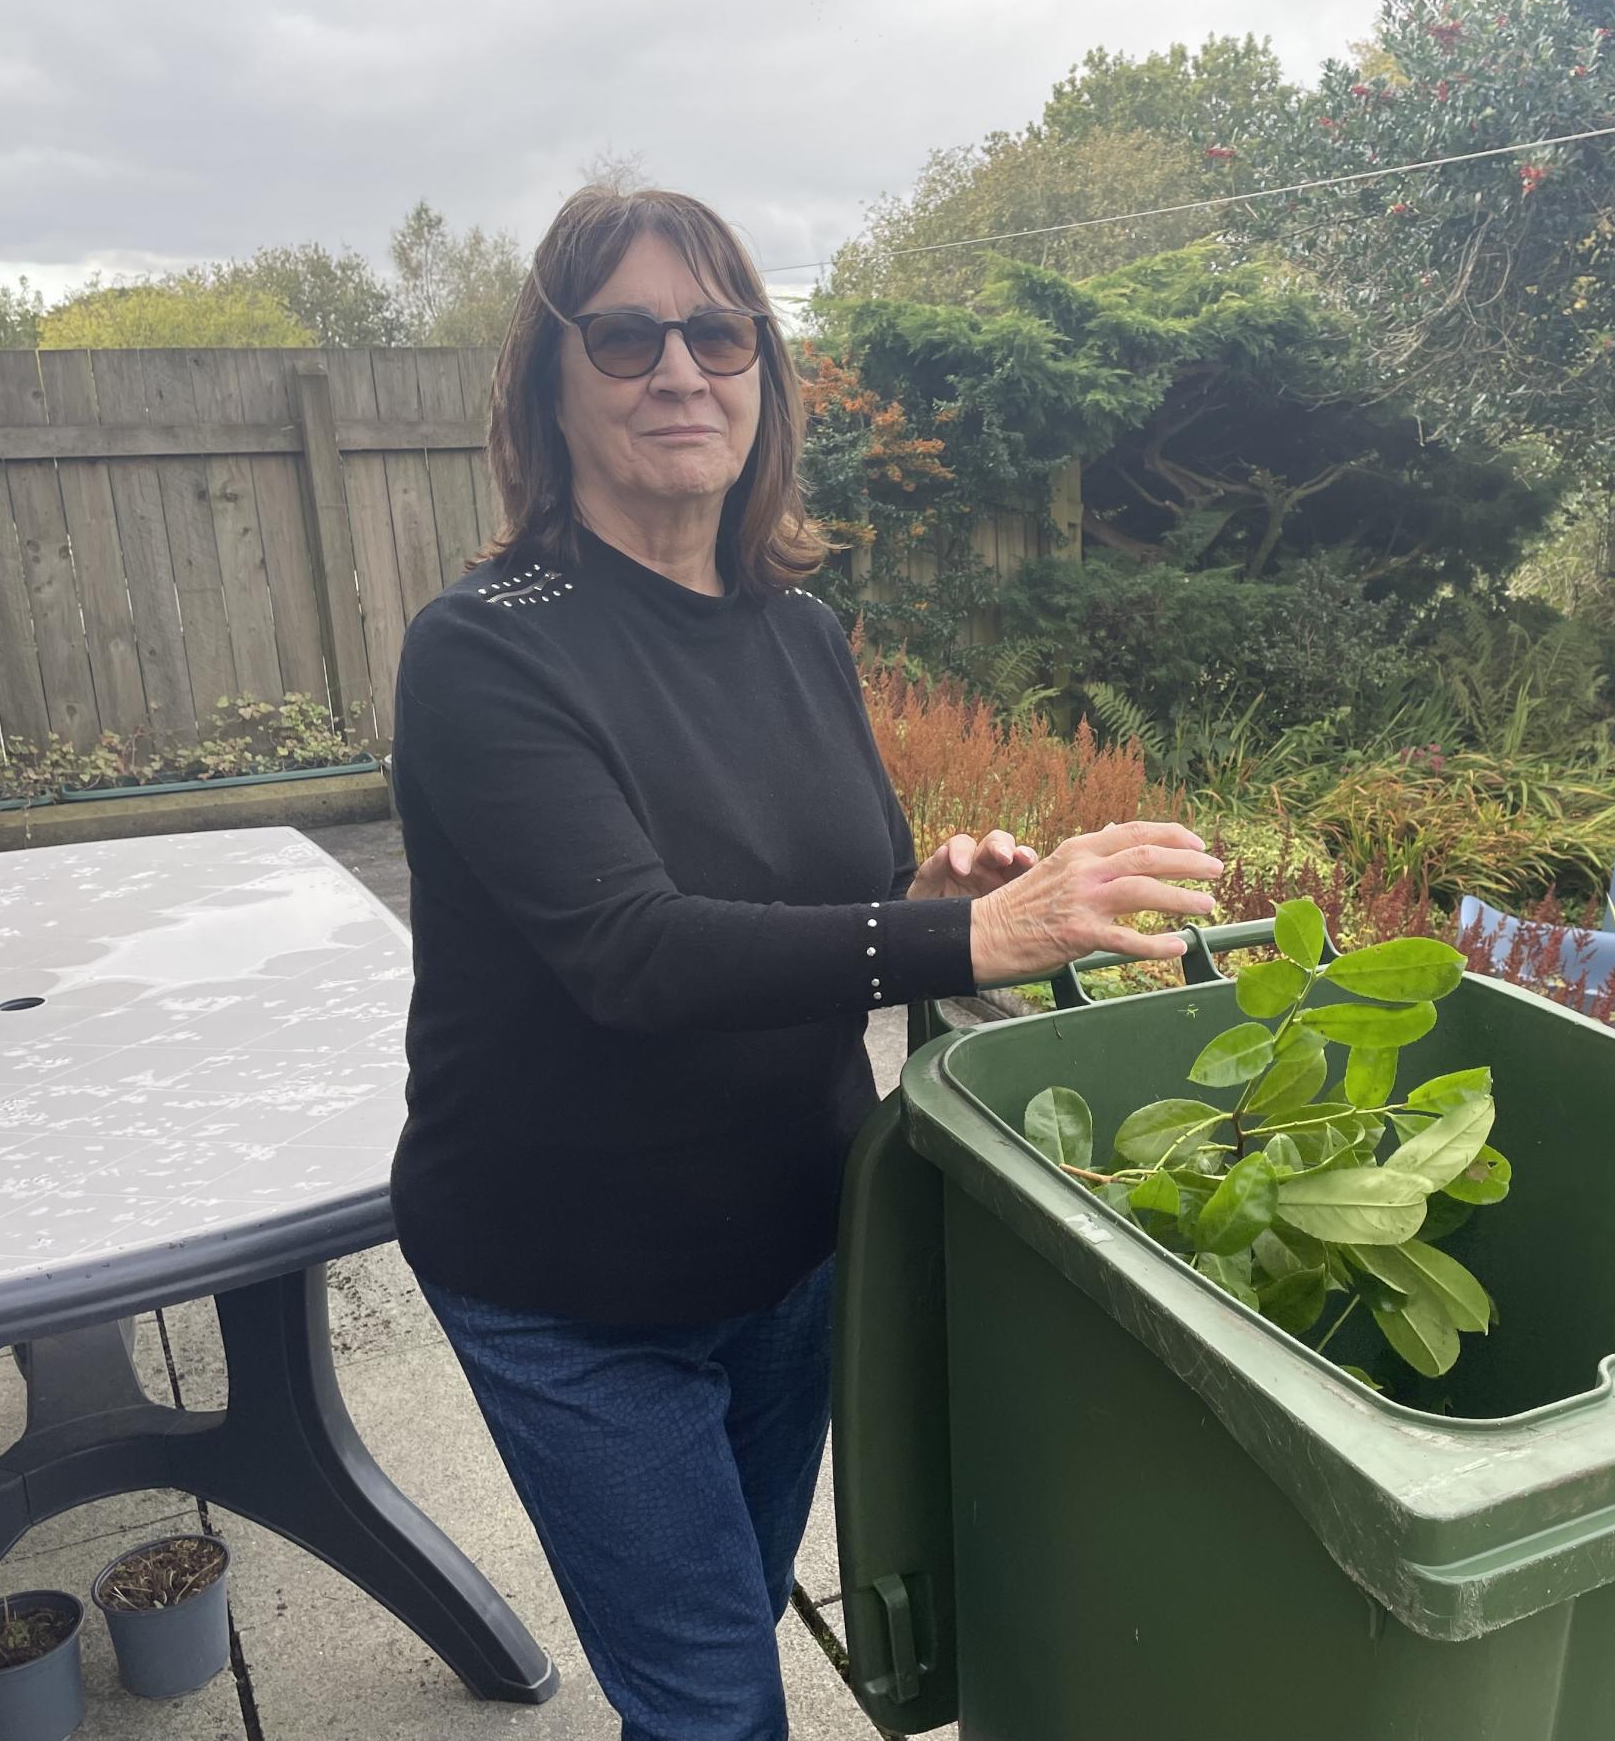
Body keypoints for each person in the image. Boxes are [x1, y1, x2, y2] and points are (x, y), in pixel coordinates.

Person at [386, 184, 1223, 1740]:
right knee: (713, 1703)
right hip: (573, 1282)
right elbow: (632, 953)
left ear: (763, 372)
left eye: (719, 331)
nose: (679, 370)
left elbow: (804, 911)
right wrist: (970, 935)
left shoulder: (799, 630)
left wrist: (923, 895)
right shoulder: (488, 646)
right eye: (627, 335)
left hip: (792, 1246)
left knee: (733, 1614)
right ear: (549, 383)